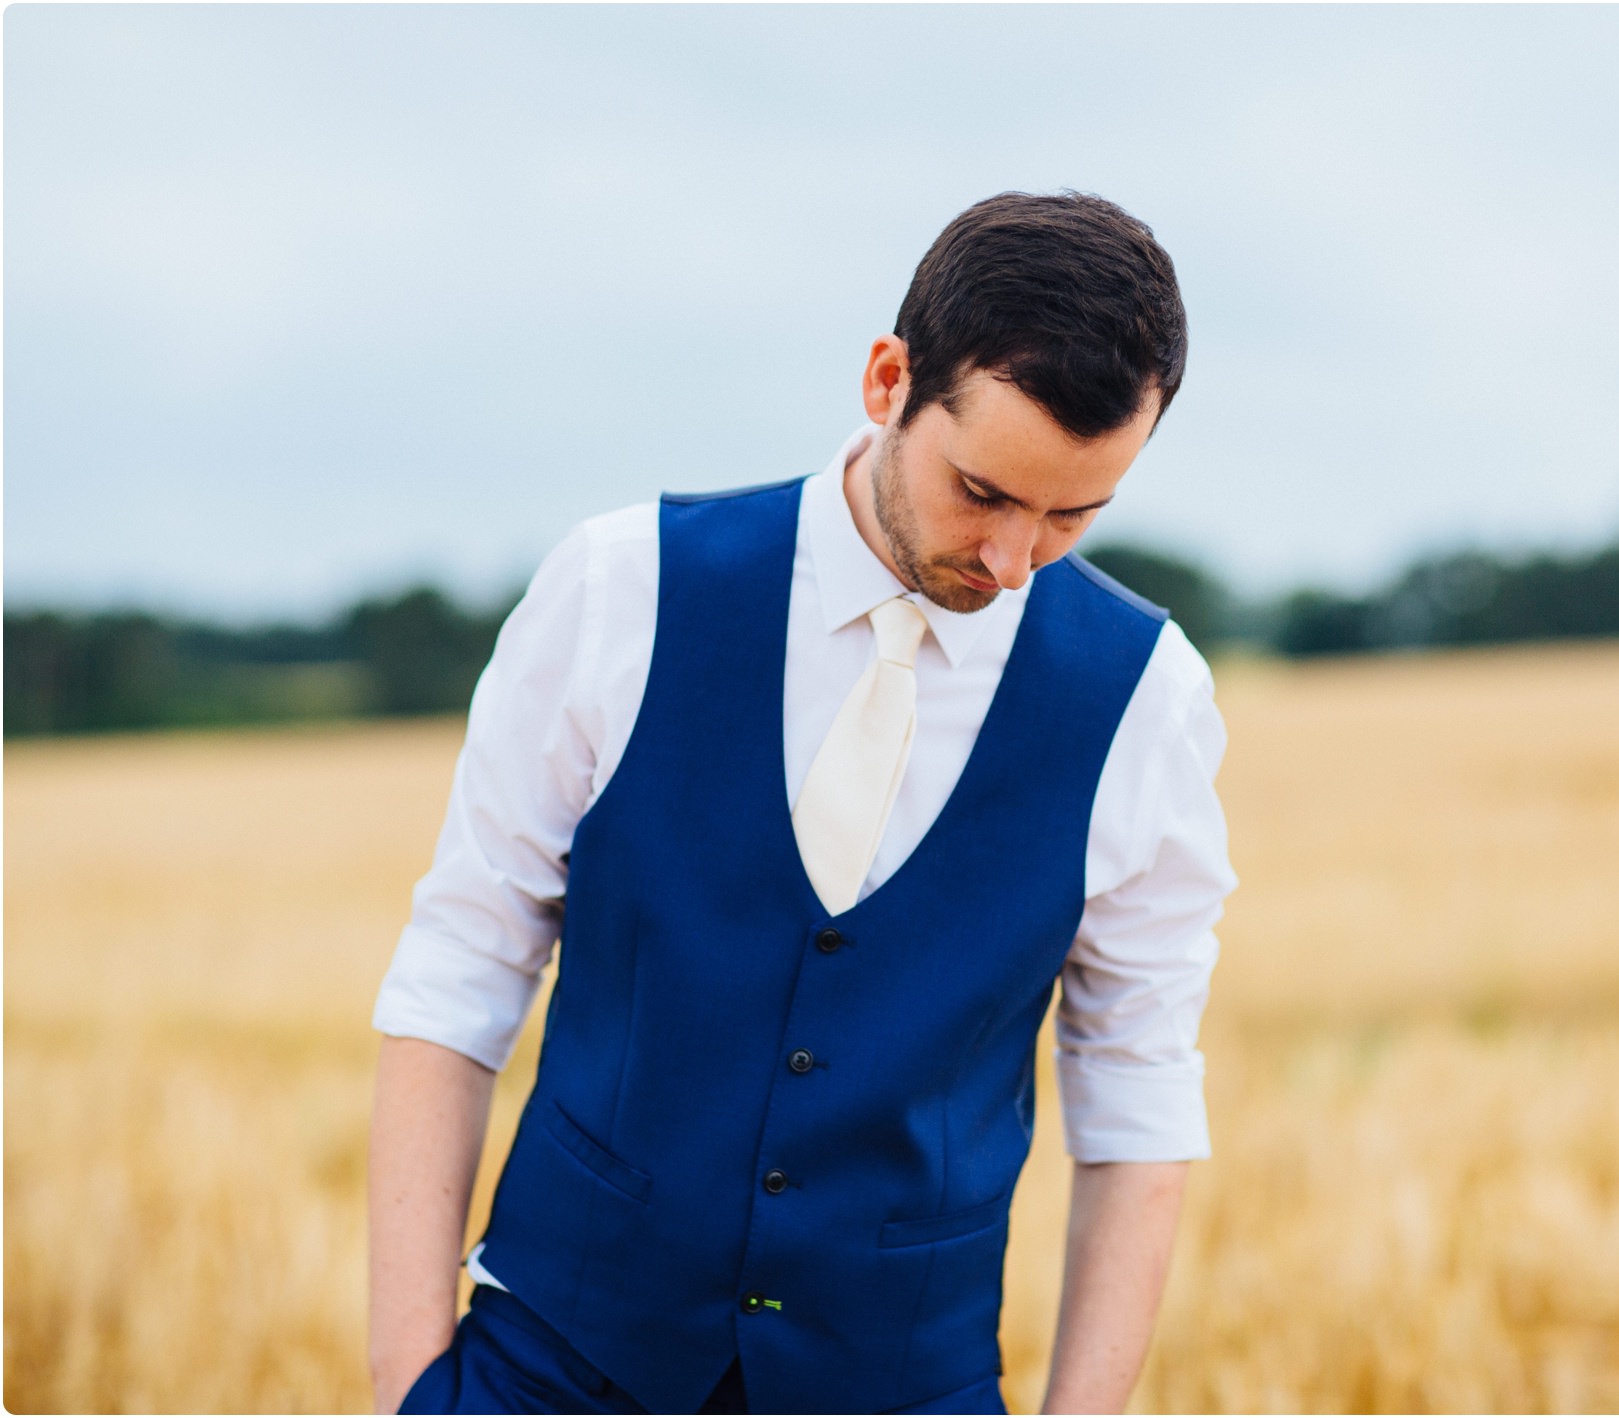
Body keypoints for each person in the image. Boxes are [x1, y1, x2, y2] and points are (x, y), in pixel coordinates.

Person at [367, 191, 1235, 1416]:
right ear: (889, 380)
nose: (1012, 559)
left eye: (1072, 513)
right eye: (983, 491)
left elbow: (1138, 1085)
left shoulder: (1147, 698)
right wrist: (409, 1380)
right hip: (550, 1369)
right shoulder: (623, 591)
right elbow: (461, 963)